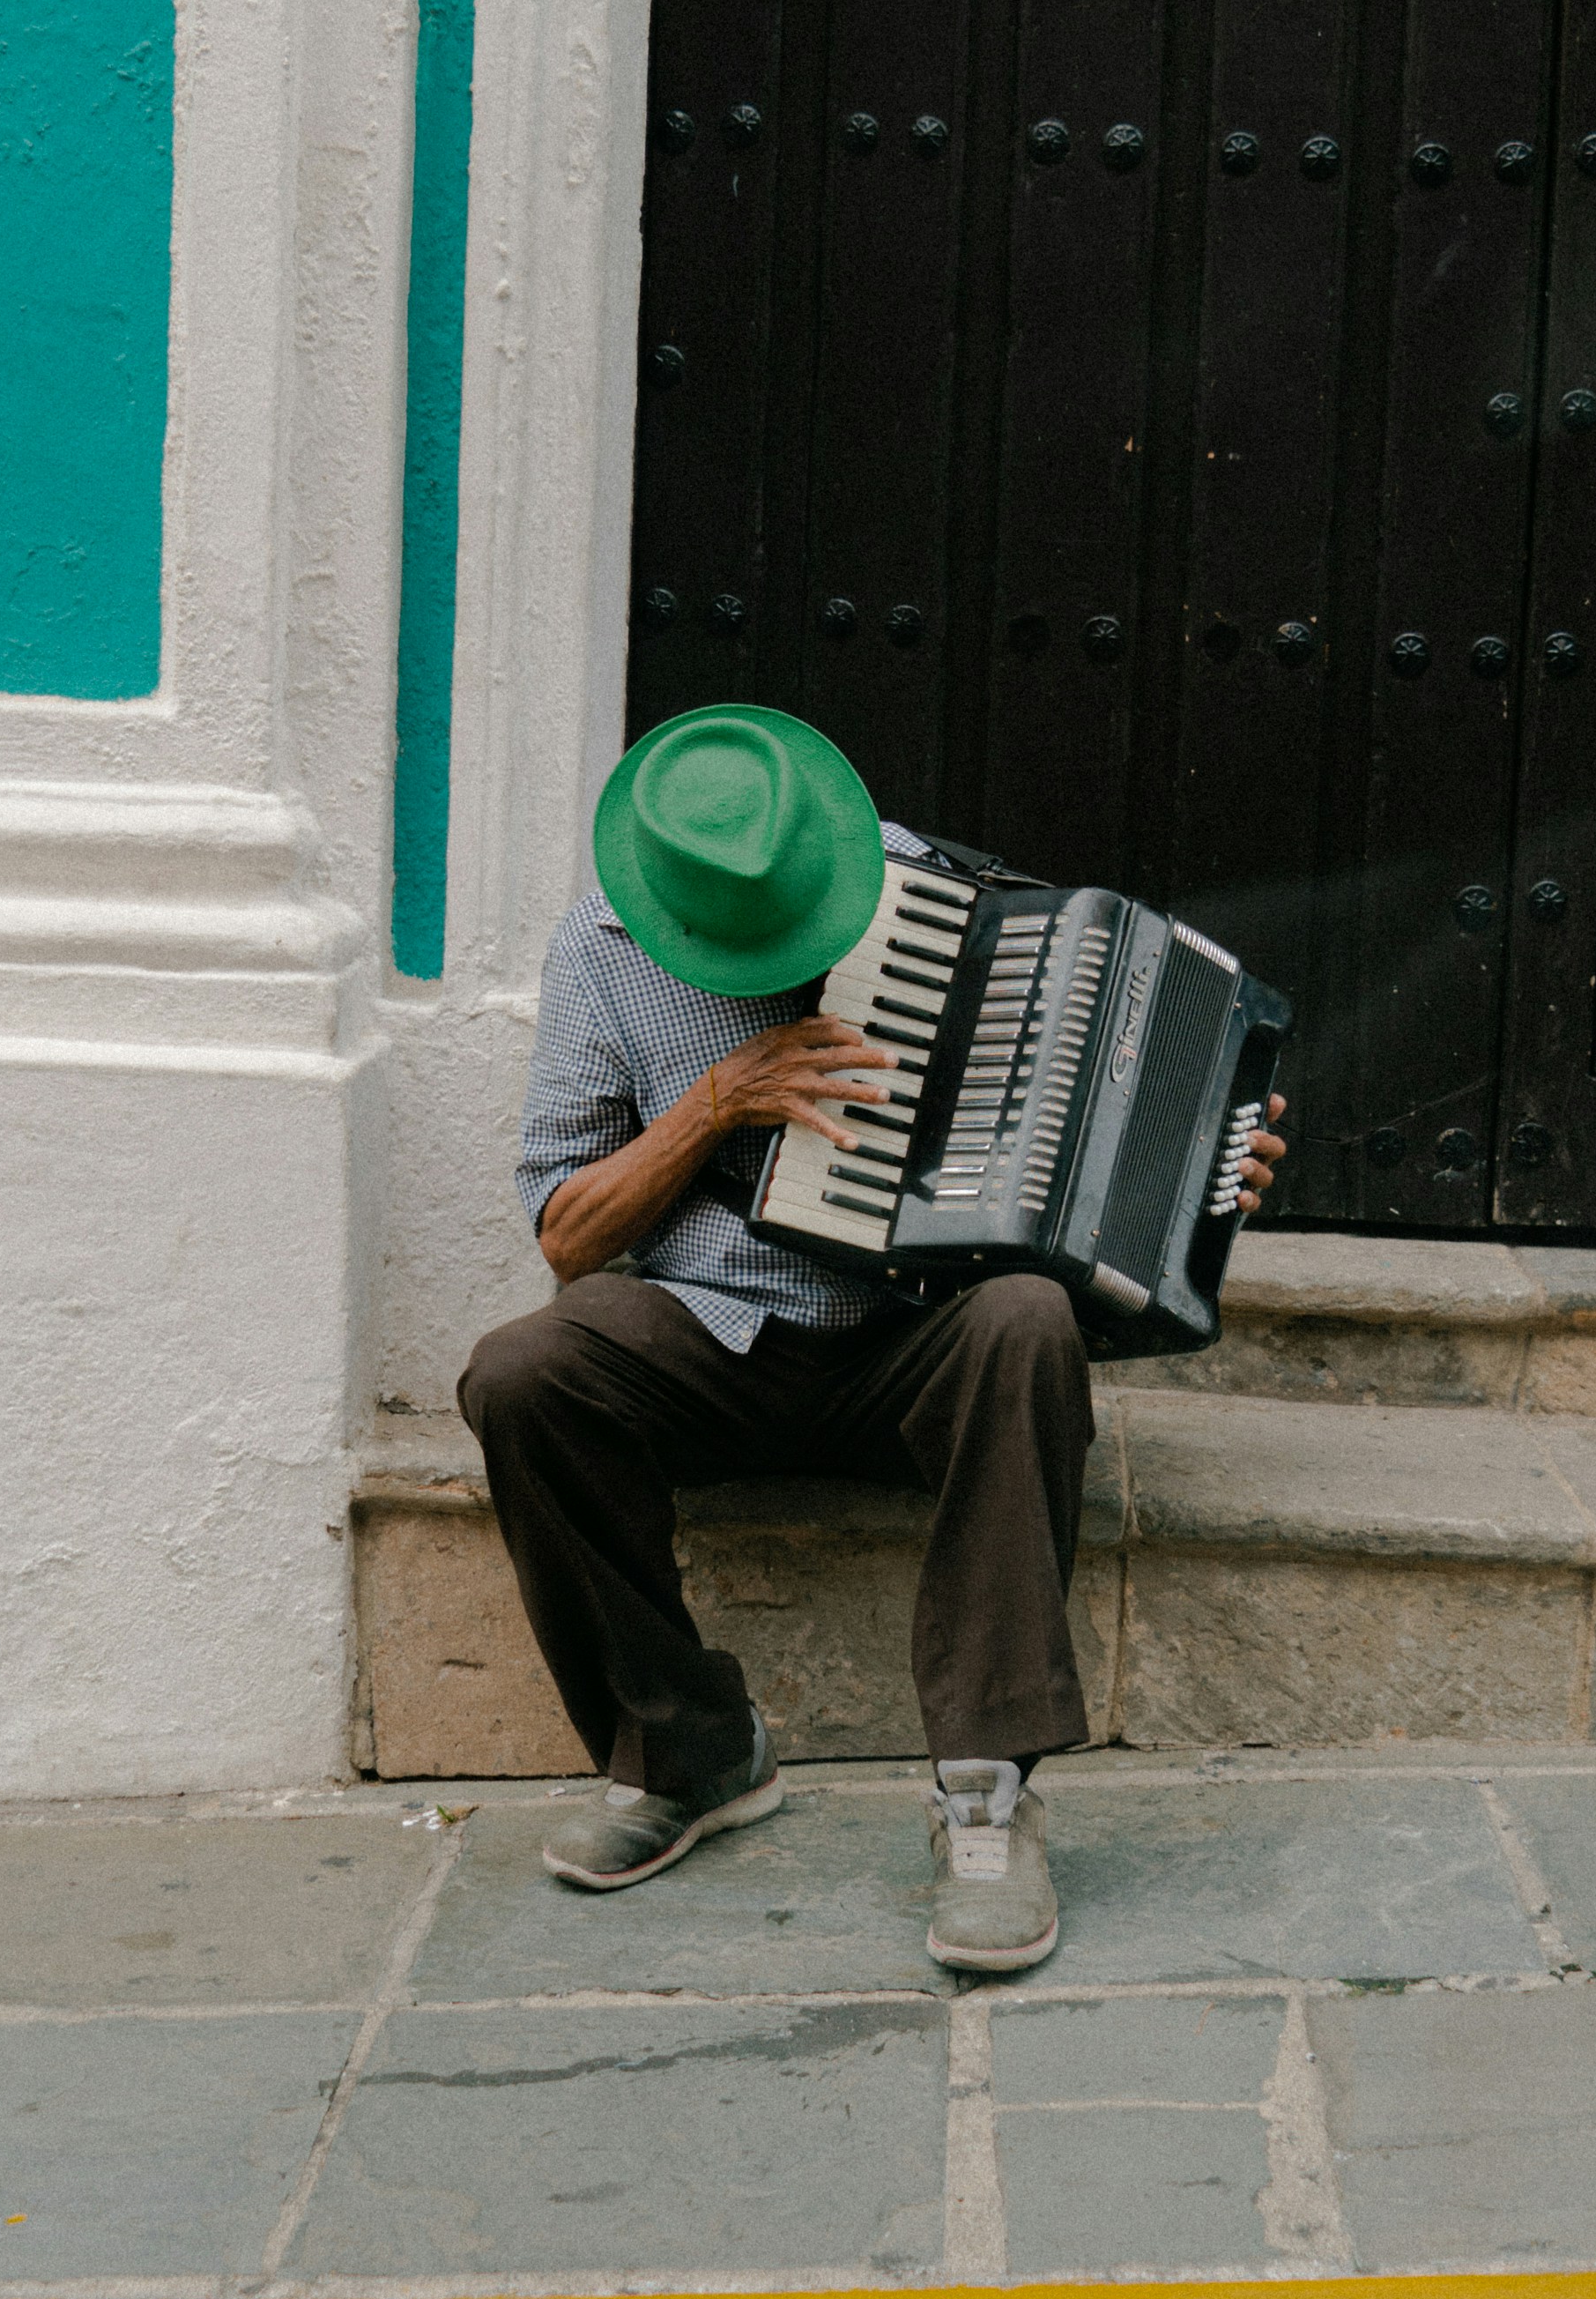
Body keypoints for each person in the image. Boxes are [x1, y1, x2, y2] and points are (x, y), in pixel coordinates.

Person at [457, 704, 1286, 1973]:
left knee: (1025, 1313)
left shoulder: (944, 906)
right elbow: (568, 1235)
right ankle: (689, 1753)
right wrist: (715, 1104)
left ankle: (986, 1798)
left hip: (914, 1337)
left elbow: (1090, 1125)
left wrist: (1202, 1172)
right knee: (521, 1373)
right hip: (711, 1333)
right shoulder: (603, 948)